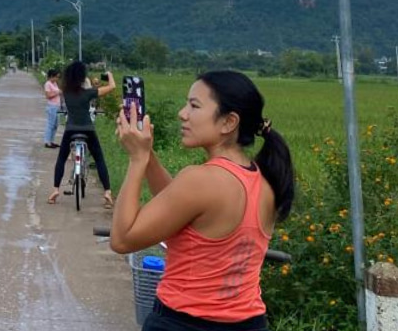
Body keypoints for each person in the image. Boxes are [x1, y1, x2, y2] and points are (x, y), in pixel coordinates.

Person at [110, 70, 296, 331]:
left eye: (194, 105)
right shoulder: (264, 180)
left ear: (228, 122)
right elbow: (179, 204)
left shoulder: (201, 180)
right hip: (249, 323)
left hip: (183, 322)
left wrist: (137, 160)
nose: (182, 114)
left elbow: (122, 239)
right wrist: (148, 154)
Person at [48, 60, 115, 208]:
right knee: (99, 159)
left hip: (71, 130)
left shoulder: (65, 92)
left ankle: (55, 191)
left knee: (61, 158)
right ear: (82, 77)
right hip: (88, 130)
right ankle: (107, 193)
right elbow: (112, 87)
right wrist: (109, 75)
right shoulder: (88, 93)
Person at [43, 68, 62, 148]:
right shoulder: (48, 84)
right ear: (51, 76)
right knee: (50, 124)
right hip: (52, 106)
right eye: (56, 77)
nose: (57, 78)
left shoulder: (55, 84)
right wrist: (57, 92)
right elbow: (48, 96)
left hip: (57, 106)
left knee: (55, 125)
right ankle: (47, 142)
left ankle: (52, 141)